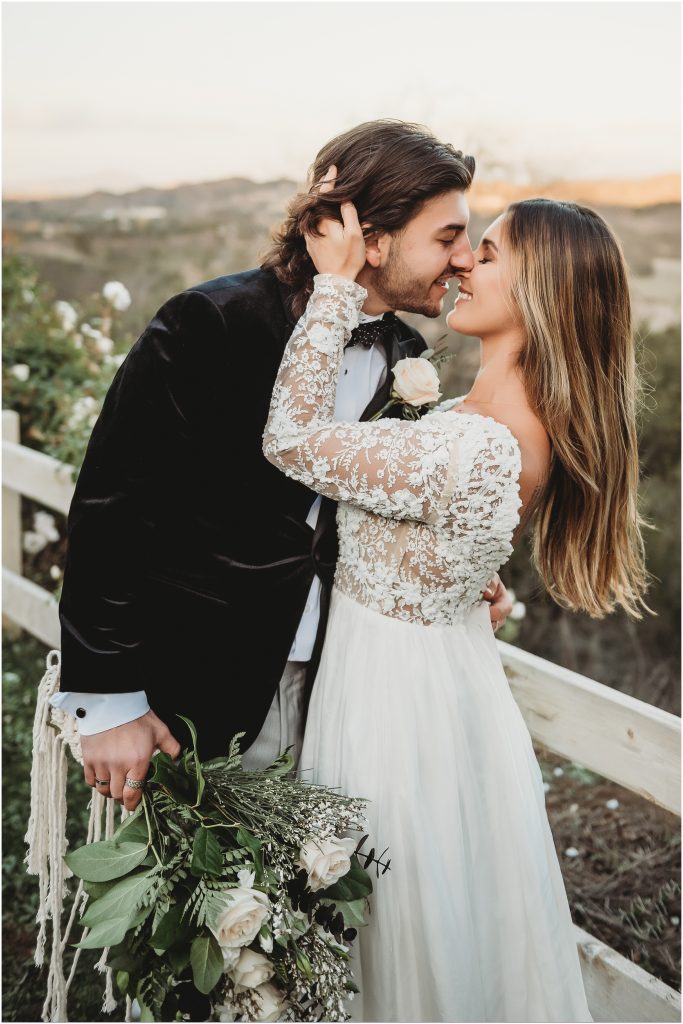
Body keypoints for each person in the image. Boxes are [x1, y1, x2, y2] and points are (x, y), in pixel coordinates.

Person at [262, 175, 650, 1021]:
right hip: (422, 676)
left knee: (398, 947)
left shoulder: (480, 441)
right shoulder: (488, 418)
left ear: (539, 291)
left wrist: (333, 289)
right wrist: (460, 575)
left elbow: (290, 442)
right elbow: (433, 541)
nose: (462, 269)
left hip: (396, 708)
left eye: (487, 253)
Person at [49, 120, 512, 813]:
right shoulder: (211, 323)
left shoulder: (404, 351)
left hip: (342, 682)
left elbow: (367, 493)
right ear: (368, 235)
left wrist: (454, 558)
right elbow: (112, 509)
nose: (460, 260)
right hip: (196, 683)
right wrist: (108, 700)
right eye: (446, 237)